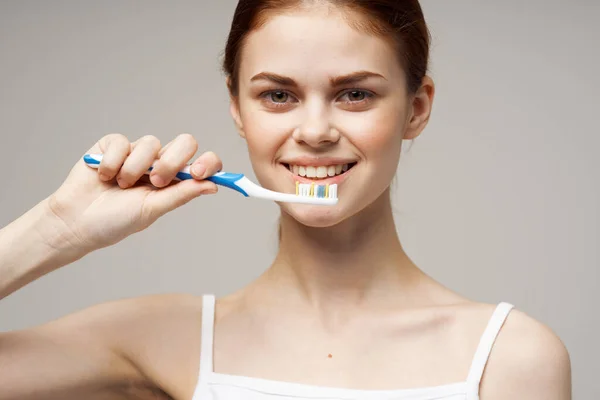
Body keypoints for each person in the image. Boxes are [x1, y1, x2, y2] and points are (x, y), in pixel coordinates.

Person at [0, 1, 571, 399]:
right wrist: (56, 229)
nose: (316, 130)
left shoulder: (510, 357)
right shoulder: (161, 337)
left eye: (355, 94)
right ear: (236, 108)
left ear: (416, 108)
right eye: (278, 95)